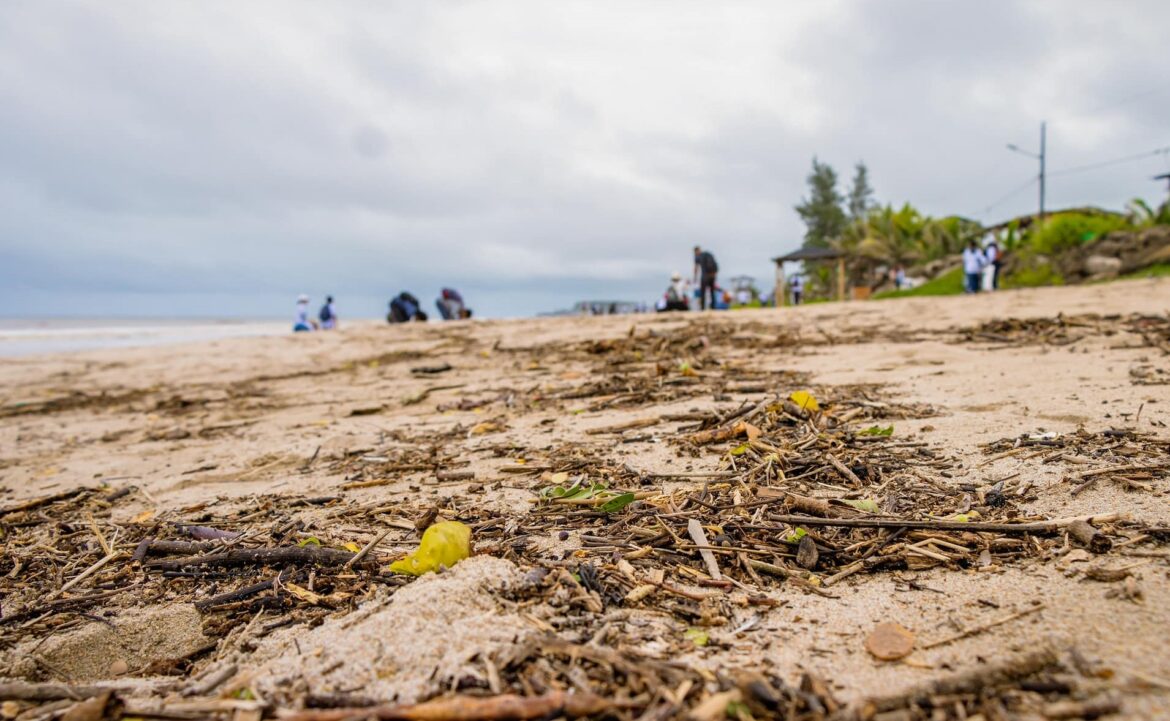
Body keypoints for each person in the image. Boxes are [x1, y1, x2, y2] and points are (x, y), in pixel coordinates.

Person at [692, 245, 718, 310]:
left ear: (696, 251)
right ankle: (713, 307)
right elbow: (715, 264)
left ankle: (702, 308)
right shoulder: (708, 254)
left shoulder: (698, 257)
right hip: (712, 275)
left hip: (705, 276)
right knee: (712, 291)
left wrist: (695, 278)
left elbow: (696, 268)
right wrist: (714, 274)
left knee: (703, 292)